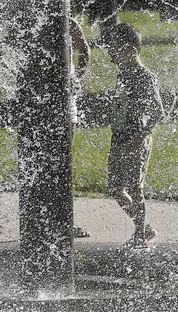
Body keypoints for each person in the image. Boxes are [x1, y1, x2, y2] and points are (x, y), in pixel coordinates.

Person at [103, 22, 164, 250]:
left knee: (134, 188)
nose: (110, 55)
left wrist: (143, 135)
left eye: (114, 50)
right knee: (115, 188)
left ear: (130, 50)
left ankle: (140, 236)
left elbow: (158, 110)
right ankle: (143, 227)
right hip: (119, 136)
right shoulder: (123, 74)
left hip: (136, 138)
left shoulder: (144, 77)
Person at [69, 16, 92, 238]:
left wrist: (77, 78)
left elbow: (84, 50)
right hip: (38, 98)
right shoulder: (28, 18)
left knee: (64, 163)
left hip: (66, 100)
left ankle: (66, 220)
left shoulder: (69, 22)